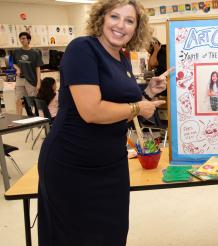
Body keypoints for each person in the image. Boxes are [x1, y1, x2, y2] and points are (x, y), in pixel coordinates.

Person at [37, 1, 167, 245]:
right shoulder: (82, 49)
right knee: (73, 237)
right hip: (71, 164)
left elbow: (119, 109)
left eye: (130, 21)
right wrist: (140, 106)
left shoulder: (122, 58)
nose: (121, 25)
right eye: (114, 17)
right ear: (100, 18)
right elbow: (92, 111)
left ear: (137, 28)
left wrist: (147, 93)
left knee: (112, 234)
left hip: (111, 164)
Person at [12, 31, 44, 115]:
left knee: (33, 102)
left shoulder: (35, 53)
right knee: (18, 100)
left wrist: (38, 83)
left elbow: (38, 68)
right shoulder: (16, 51)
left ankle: (36, 119)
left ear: (28, 40)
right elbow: (13, 63)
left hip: (31, 80)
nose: (22, 40)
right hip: (20, 80)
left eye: (23, 38)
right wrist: (17, 69)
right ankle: (18, 120)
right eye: (20, 39)